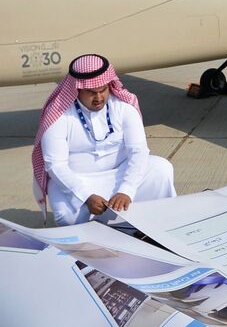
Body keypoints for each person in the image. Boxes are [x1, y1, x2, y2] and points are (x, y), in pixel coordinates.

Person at [32, 53, 176, 226]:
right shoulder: (58, 116)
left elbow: (138, 152)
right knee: (67, 216)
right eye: (92, 92)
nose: (99, 97)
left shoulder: (123, 107)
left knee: (161, 169)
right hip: (77, 182)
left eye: (103, 90)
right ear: (77, 89)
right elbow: (55, 165)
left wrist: (126, 191)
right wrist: (86, 197)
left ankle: (161, 224)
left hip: (120, 176)